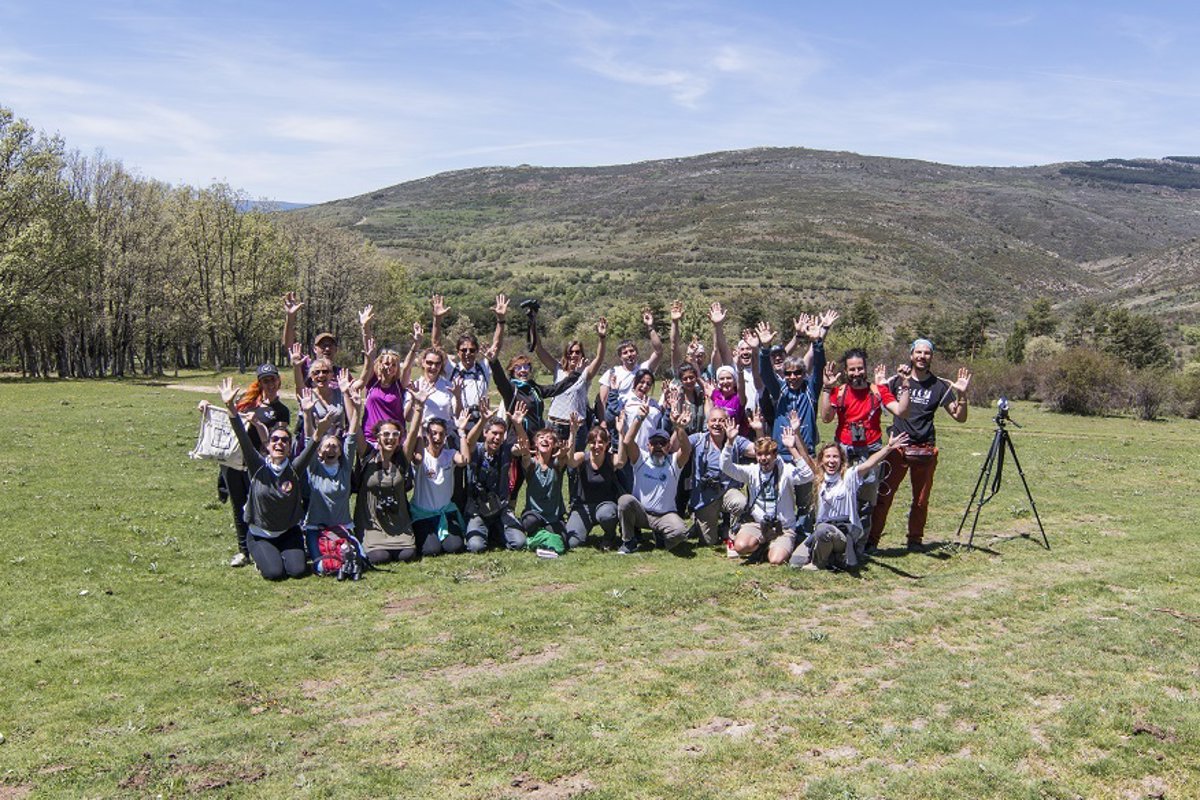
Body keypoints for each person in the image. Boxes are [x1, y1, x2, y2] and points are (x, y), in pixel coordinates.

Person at [220, 377, 330, 581]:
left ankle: (283, 553)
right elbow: (243, 437)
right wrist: (230, 407)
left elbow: (311, 447)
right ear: (268, 446)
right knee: (275, 574)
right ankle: (261, 555)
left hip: (288, 533)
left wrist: (319, 430)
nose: (280, 443)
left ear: (289, 448)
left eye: (285, 440)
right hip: (260, 534)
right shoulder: (258, 466)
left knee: (297, 571)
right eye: (275, 440)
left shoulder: (294, 469)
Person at [871, 339, 972, 552]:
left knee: (920, 500)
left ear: (931, 356)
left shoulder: (940, 386)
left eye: (927, 353)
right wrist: (879, 384)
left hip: (925, 449)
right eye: (918, 352)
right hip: (897, 447)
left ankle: (915, 540)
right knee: (884, 496)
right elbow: (876, 402)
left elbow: (959, 417)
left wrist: (962, 394)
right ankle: (872, 541)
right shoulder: (896, 381)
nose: (922, 356)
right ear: (911, 355)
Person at [819, 349, 910, 544]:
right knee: (840, 496)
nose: (856, 373)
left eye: (860, 368)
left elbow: (901, 411)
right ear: (846, 371)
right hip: (844, 450)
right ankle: (840, 542)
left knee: (866, 501)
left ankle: (860, 546)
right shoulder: (839, 392)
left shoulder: (878, 391)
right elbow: (826, 418)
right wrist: (826, 389)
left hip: (871, 451)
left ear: (866, 369)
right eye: (852, 369)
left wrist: (905, 385)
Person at [791, 432, 909, 570]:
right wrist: (797, 433)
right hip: (822, 532)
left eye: (835, 456)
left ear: (841, 460)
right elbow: (805, 456)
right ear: (821, 460)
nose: (831, 461)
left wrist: (888, 448)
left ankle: (819, 563)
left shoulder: (849, 476)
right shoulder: (820, 477)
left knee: (823, 530)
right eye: (828, 456)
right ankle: (833, 557)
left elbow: (869, 463)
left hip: (844, 533)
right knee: (795, 562)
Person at [212, 363, 291, 567]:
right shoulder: (247, 402)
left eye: (272, 380)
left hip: (257, 464)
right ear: (260, 383)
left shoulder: (281, 411)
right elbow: (228, 419)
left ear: (279, 381)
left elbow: (276, 440)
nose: (270, 384)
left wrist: (258, 424)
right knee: (238, 506)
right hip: (233, 461)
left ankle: (260, 548)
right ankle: (243, 551)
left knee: (256, 507)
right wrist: (207, 408)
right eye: (265, 381)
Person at [720, 418, 815, 565]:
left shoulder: (786, 471)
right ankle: (761, 544)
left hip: (783, 527)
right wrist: (730, 442)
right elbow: (726, 467)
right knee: (740, 546)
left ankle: (771, 547)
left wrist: (792, 449)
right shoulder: (752, 471)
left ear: (775, 455)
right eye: (759, 454)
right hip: (758, 524)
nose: (763, 458)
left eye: (767, 454)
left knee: (776, 560)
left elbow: (808, 475)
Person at [300, 373, 364, 573]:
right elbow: (309, 441)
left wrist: (357, 409)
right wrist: (307, 414)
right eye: (326, 446)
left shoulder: (344, 468)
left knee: (356, 561)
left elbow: (351, 437)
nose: (330, 449)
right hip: (316, 528)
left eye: (335, 446)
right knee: (323, 567)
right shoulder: (314, 468)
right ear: (319, 451)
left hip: (342, 527)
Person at [613, 401, 693, 554]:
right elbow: (628, 441)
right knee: (625, 500)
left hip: (665, 515)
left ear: (668, 446)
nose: (658, 446)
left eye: (662, 443)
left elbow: (687, 449)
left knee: (681, 532)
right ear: (648, 445)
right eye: (654, 443)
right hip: (641, 513)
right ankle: (629, 541)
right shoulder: (641, 459)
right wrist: (639, 418)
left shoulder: (674, 462)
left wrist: (679, 428)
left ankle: (662, 537)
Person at [407, 389, 470, 556]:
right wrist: (419, 420)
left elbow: (464, 460)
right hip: (423, 514)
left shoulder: (450, 454)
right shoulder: (422, 456)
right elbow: (417, 457)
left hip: (445, 512)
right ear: (427, 435)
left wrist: (462, 432)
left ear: (445, 436)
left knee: (455, 547)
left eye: (441, 434)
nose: (437, 437)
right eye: (433, 433)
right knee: (431, 550)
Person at [354, 411, 422, 566]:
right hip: (371, 523)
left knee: (407, 555)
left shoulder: (402, 458)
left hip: (398, 522)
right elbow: (356, 429)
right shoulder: (367, 455)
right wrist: (353, 404)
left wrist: (419, 407)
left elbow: (413, 431)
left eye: (395, 434)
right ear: (377, 437)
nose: (390, 438)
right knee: (379, 557)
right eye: (385, 434)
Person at [511, 402, 581, 550]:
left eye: (549, 438)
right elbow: (524, 449)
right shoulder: (531, 465)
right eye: (541, 437)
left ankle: (537, 538)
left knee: (564, 541)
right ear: (536, 443)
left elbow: (566, 456)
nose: (545, 440)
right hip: (534, 515)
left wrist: (573, 432)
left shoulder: (556, 465)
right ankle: (542, 537)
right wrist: (518, 425)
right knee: (530, 522)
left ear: (554, 444)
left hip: (553, 517)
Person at [460, 399, 526, 553]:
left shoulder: (506, 450)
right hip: (477, 510)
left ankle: (495, 531)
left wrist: (518, 425)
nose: (497, 438)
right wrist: (483, 420)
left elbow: (523, 447)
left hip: (501, 508)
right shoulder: (475, 450)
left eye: (501, 434)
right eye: (494, 433)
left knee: (520, 543)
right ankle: (490, 532)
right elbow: (469, 441)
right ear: (485, 433)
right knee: (476, 547)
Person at [688, 408, 755, 550]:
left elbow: (757, 451)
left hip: (728, 491)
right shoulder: (698, 439)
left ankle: (733, 534)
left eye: (721, 420)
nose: (717, 424)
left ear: (727, 423)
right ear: (707, 424)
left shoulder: (735, 439)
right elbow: (678, 446)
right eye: (713, 420)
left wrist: (759, 431)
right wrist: (679, 429)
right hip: (705, 497)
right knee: (708, 541)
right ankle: (703, 523)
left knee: (741, 503)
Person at [431, 293, 508, 414]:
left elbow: (496, 346)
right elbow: (436, 345)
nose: (467, 353)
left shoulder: (483, 368)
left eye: (472, 350)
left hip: (480, 422)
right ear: (458, 352)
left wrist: (501, 320)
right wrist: (437, 319)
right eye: (463, 350)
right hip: (457, 422)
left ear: (477, 352)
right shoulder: (451, 369)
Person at [357, 308, 421, 446]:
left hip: (395, 440)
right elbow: (369, 352)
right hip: (371, 439)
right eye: (386, 363)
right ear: (380, 364)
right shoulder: (372, 382)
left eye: (393, 365)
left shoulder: (399, 385)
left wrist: (416, 345)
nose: (389, 367)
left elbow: (407, 366)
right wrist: (365, 327)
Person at [597, 307, 664, 415]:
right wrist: (603, 422)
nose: (629, 354)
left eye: (632, 351)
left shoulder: (644, 369)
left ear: (637, 353)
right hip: (619, 417)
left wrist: (650, 327)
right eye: (625, 352)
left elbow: (659, 351)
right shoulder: (612, 373)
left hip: (640, 414)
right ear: (620, 357)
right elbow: (602, 401)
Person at [564, 426, 622, 549]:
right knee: (571, 542)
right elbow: (570, 461)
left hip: (605, 505)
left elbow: (621, 462)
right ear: (588, 443)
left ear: (607, 443)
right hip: (583, 507)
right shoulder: (582, 457)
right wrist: (572, 433)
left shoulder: (611, 458)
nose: (596, 446)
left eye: (600, 442)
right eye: (593, 442)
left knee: (607, 515)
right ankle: (583, 530)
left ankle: (609, 536)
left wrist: (621, 434)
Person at [282, 291, 338, 386]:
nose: (327, 349)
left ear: (336, 350)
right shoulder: (306, 365)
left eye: (330, 345)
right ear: (315, 349)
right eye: (323, 345)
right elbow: (289, 347)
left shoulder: (341, 373)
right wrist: (290, 317)